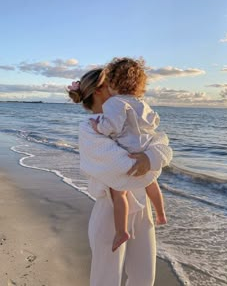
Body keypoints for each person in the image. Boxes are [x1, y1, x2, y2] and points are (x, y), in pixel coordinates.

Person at [67, 67, 172, 286]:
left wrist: (151, 159)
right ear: (99, 90)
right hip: (111, 210)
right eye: (112, 84)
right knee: (107, 278)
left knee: (144, 277)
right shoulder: (90, 127)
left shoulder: (127, 119)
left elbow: (164, 147)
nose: (120, 89)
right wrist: (150, 160)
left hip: (143, 208)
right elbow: (124, 167)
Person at [89, 57, 167, 252]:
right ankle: (161, 213)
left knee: (119, 194)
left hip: (128, 153)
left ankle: (122, 231)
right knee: (151, 182)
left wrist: (98, 126)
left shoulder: (115, 103)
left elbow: (111, 126)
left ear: (112, 82)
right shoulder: (142, 103)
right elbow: (154, 122)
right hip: (145, 150)